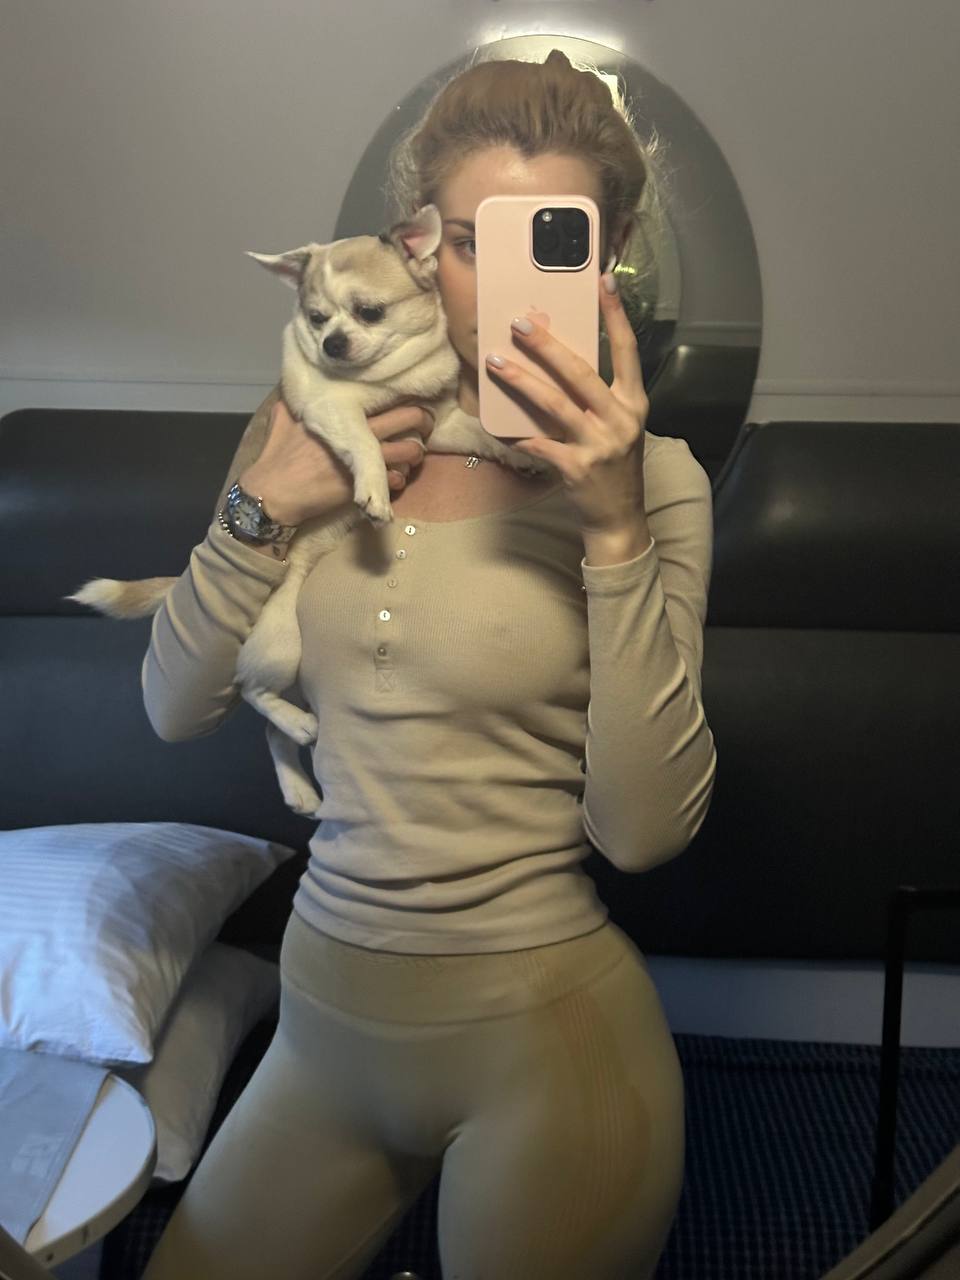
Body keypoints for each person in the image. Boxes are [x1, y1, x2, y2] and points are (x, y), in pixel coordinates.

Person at [141, 47, 717, 1280]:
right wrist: (260, 507)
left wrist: (614, 528)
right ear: (418, 246)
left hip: (547, 1043)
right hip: (320, 1032)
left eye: (546, 246)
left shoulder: (656, 482)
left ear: (608, 255)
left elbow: (644, 831)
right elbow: (172, 705)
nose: (497, 291)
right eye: (467, 243)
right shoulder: (306, 429)